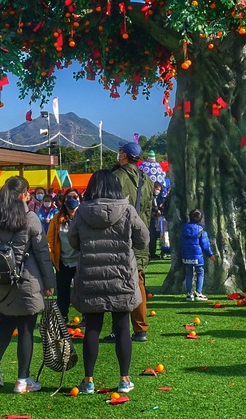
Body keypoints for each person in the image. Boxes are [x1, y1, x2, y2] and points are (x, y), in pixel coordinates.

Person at [69, 170, 149, 396]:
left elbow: (73, 241)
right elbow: (144, 239)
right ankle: (124, 379)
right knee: (122, 327)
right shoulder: (127, 211)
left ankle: (88, 380)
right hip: (121, 277)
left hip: (91, 278)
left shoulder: (82, 212)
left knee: (92, 328)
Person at [0, 176, 56, 393]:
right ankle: (23, 379)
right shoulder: (29, 217)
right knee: (25, 330)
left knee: (5, 324)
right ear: (24, 194)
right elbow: (42, 253)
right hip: (27, 281)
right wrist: (49, 282)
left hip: (1, 282)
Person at [110, 141, 154, 342]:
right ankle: (141, 328)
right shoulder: (148, 180)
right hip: (140, 236)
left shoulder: (115, 177)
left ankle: (118, 329)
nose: (118, 155)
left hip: (120, 236)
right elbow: (148, 212)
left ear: (125, 155)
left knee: (117, 282)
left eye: (120, 152)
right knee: (138, 282)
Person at [47, 187, 82, 321]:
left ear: (80, 200)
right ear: (64, 200)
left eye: (75, 197)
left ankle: (86, 316)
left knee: (82, 290)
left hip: (80, 261)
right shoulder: (57, 218)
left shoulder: (83, 217)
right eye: (69, 197)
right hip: (62, 261)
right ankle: (63, 316)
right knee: (63, 291)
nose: (72, 200)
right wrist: (52, 256)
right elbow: (50, 239)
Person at [181, 209, 215, 301]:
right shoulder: (201, 230)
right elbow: (205, 245)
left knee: (189, 274)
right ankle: (198, 293)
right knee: (200, 273)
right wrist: (210, 255)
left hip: (186, 256)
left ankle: (189, 294)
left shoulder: (184, 229)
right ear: (200, 219)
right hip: (197, 256)